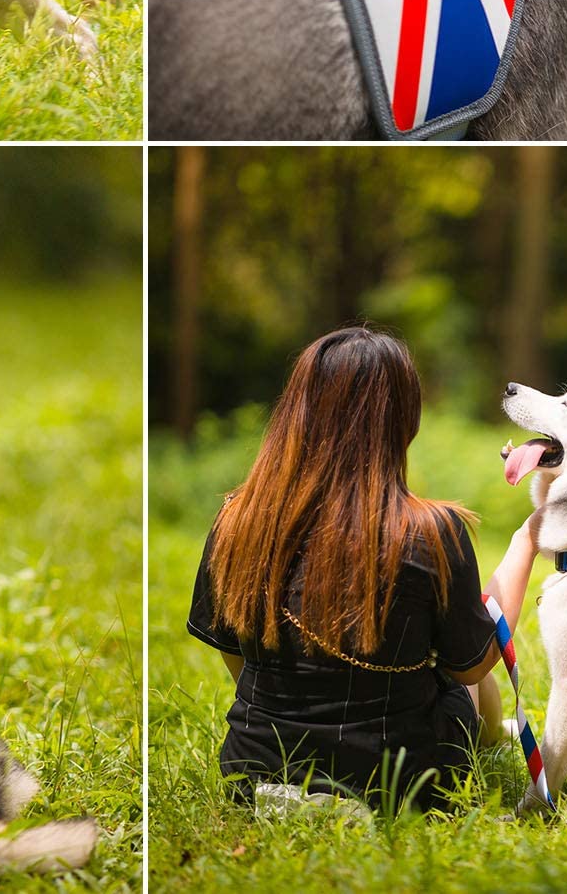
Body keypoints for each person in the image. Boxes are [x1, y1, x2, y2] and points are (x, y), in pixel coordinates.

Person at [186, 326, 541, 812]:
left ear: (296, 409)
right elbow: (473, 665)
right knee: (472, 679)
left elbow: (233, 652)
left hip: (255, 773)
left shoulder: (237, 518)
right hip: (399, 785)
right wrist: (526, 542)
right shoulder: (431, 529)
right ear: (403, 418)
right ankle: (495, 741)